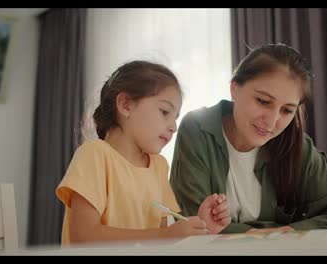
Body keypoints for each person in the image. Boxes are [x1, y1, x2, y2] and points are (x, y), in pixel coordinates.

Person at [170, 44, 327, 235]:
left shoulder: (296, 145)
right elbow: (193, 225)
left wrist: (286, 233)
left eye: (287, 110)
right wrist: (269, 233)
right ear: (234, 89)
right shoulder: (197, 129)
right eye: (263, 101)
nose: (272, 121)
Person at [56, 61, 231, 245]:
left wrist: (203, 228)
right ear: (125, 105)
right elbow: (83, 237)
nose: (174, 127)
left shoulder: (159, 165)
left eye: (176, 117)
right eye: (165, 112)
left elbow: (161, 242)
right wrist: (165, 236)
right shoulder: (93, 155)